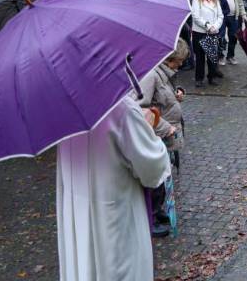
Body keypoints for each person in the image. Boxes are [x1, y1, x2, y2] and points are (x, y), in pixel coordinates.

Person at [57, 96, 171, 281]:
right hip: (116, 220)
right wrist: (147, 127)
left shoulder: (64, 108)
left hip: (78, 213)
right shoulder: (121, 109)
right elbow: (152, 168)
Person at [136, 38, 189, 237]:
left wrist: (176, 95)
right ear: (170, 59)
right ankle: (151, 218)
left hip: (164, 134)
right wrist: (165, 127)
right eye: (179, 60)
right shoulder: (151, 76)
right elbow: (139, 108)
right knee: (156, 178)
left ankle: (158, 213)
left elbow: (163, 98)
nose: (182, 64)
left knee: (163, 175)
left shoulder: (163, 75)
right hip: (156, 134)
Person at [191, 0, 224, 87]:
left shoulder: (215, 0)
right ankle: (199, 79)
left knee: (212, 57)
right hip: (200, 32)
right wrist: (208, 26)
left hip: (213, 32)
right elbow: (196, 17)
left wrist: (215, 26)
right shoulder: (196, 0)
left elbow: (220, 16)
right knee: (200, 57)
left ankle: (212, 77)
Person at [216, 0, 247, 66]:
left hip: (234, 16)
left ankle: (230, 56)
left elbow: (240, 3)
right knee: (220, 36)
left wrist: (243, 14)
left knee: (233, 37)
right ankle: (220, 56)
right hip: (221, 16)